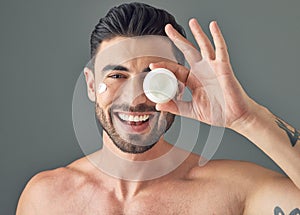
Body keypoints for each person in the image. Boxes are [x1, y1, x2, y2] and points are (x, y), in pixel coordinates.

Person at [16, 2, 300, 214]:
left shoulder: (232, 193)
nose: (135, 97)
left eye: (154, 79)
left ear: (178, 85)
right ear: (91, 86)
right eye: (116, 76)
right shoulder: (45, 198)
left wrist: (247, 119)